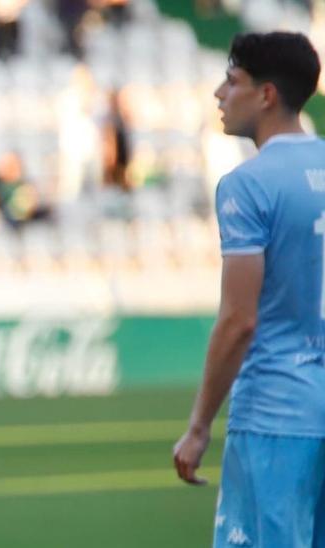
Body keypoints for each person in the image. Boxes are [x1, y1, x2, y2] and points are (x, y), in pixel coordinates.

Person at [172, 31, 325, 547]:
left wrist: (198, 426)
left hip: (276, 413)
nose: (219, 93)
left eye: (232, 80)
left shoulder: (248, 184)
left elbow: (240, 320)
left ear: (266, 95)